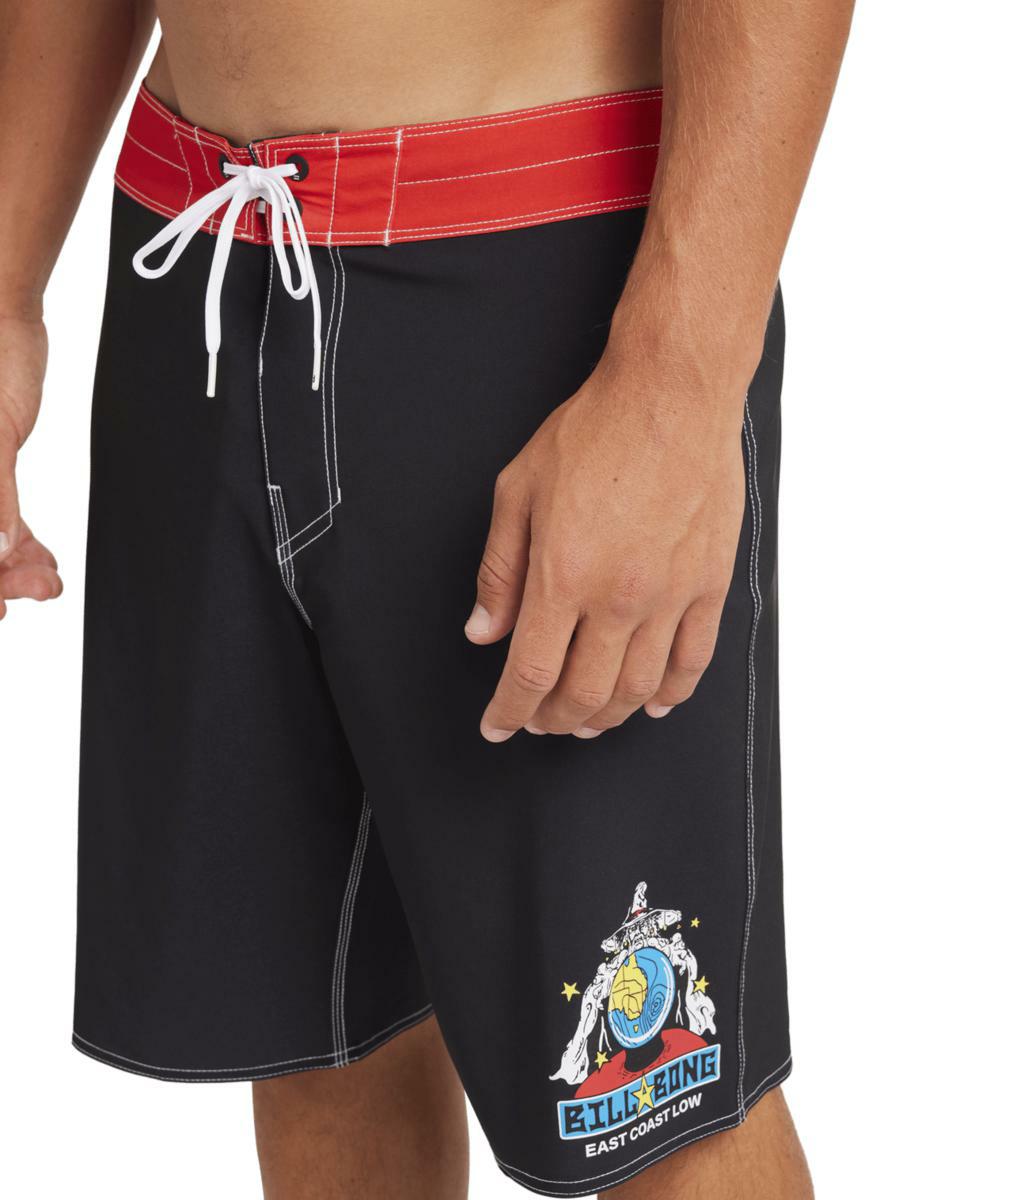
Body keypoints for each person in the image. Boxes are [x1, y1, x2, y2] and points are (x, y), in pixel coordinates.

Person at [0, 2, 852, 1196]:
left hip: (535, 273)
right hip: (202, 262)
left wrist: (677, 381)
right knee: (322, 1043)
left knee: (653, 1094)